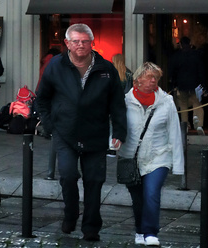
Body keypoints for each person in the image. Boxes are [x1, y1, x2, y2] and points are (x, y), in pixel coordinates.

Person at [35, 22, 127, 241]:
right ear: (67, 43)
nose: (80, 45)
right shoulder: (56, 66)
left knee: (94, 180)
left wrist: (120, 131)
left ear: (91, 43)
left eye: (85, 41)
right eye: (75, 41)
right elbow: (42, 98)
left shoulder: (106, 69)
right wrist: (49, 124)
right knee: (67, 175)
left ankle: (91, 226)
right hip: (64, 132)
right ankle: (70, 214)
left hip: (95, 132)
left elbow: (117, 103)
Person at [117, 62, 184, 247]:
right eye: (149, 77)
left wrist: (178, 165)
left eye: (156, 77)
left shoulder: (167, 102)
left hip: (159, 156)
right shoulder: (125, 101)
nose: (153, 80)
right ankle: (140, 229)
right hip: (131, 158)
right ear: (137, 80)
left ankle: (150, 232)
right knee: (138, 198)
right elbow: (116, 125)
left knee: (152, 193)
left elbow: (175, 133)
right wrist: (113, 141)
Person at [168, 36, 204, 133]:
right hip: (195, 84)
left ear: (181, 44)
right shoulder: (196, 55)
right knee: (197, 103)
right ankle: (199, 124)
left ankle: (185, 125)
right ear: (190, 43)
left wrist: (173, 83)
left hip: (181, 84)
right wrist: (202, 83)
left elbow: (172, 71)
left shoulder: (176, 56)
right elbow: (201, 70)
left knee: (183, 105)